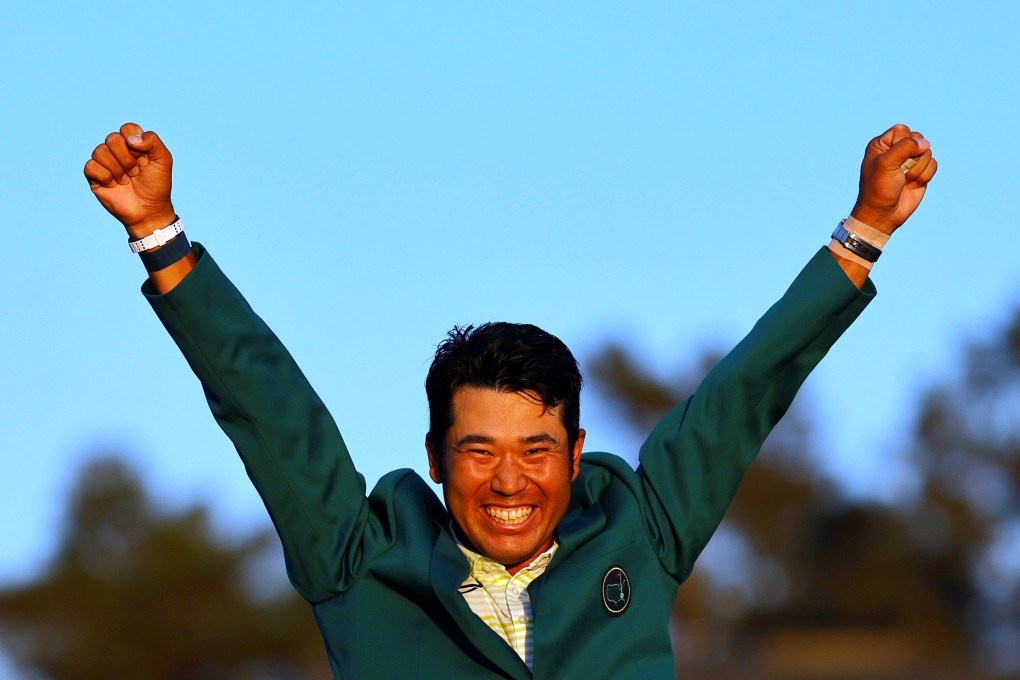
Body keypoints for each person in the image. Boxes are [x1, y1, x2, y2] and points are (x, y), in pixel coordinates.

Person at [84, 123, 936, 679]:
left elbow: (745, 392)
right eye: (478, 450)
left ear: (575, 451)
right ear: (434, 459)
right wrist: (160, 235)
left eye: (535, 450)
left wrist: (863, 230)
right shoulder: (359, 561)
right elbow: (267, 406)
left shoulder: (640, 530)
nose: (508, 481)